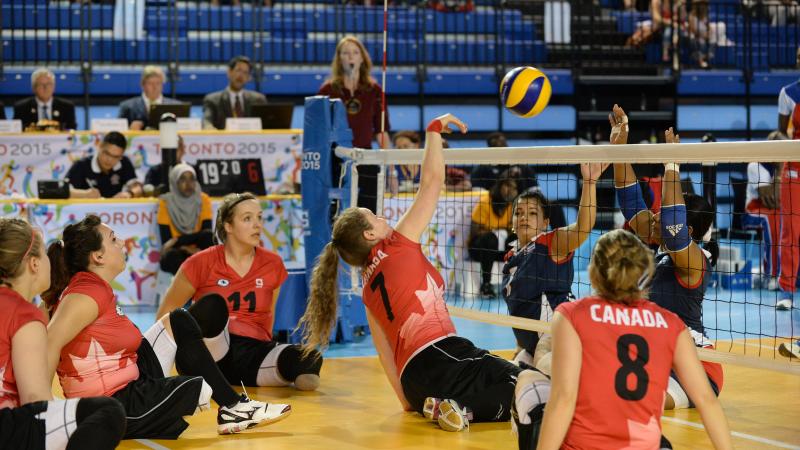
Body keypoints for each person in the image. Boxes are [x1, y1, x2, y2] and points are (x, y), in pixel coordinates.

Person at [297, 113, 537, 432]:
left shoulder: (368, 288)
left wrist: (407, 400)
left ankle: (450, 409)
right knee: (534, 388)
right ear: (369, 235)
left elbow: (385, 353)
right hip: (443, 353)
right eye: (374, 217)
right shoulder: (396, 243)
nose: (383, 217)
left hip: (415, 381)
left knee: (514, 395)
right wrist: (433, 130)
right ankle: (461, 408)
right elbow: (432, 183)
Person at [43, 215, 291, 439]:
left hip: (132, 376)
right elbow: (49, 343)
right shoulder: (85, 294)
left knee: (179, 319)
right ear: (97, 256)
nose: (121, 242)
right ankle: (233, 408)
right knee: (199, 389)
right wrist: (47, 410)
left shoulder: (94, 287)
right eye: (113, 239)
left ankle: (234, 409)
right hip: (110, 403)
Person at [513, 228, 733, 450]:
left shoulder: (571, 314)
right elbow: (706, 400)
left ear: (594, 272)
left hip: (586, 444)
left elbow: (564, 399)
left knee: (526, 379)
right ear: (645, 271)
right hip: (643, 445)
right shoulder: (671, 323)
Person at [613, 107, 723, 410]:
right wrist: (619, 149)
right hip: (654, 356)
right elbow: (631, 203)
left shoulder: (694, 261)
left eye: (669, 208)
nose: (658, 210)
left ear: (688, 228)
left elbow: (674, 233)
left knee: (630, 400)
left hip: (696, 367)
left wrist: (672, 165)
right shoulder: (662, 248)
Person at [155, 192, 323, 391]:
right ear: (228, 226)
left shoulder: (273, 264)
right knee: (212, 306)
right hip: (208, 351)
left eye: (259, 217)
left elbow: (269, 316)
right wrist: (160, 369)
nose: (257, 225)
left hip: (252, 355)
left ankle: (256, 379)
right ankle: (206, 377)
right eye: (247, 218)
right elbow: (165, 316)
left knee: (309, 358)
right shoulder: (199, 262)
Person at [0, 217, 126, 450]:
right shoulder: (25, 315)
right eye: (46, 254)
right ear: (34, 264)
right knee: (108, 411)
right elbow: (34, 401)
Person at [502, 160, 607, 366]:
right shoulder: (511, 258)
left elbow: (582, 228)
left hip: (561, 331)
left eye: (532, 213)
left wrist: (589, 182)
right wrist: (520, 346)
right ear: (512, 221)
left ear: (544, 223)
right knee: (509, 375)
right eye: (519, 213)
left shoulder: (550, 243)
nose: (524, 218)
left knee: (544, 366)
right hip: (534, 344)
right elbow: (520, 307)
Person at [318, 36, 391, 214]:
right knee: (338, 215)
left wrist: (391, 169)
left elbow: (382, 131)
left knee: (368, 214)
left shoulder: (374, 91)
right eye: (345, 53)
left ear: (362, 58)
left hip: (365, 159)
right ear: (339, 58)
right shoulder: (327, 90)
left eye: (355, 52)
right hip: (337, 162)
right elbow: (320, 131)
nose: (350, 57)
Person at [775, 52, 800, 357]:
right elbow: (781, 131)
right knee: (790, 231)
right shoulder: (788, 93)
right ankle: (786, 290)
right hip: (794, 166)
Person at [743, 131, 786, 293]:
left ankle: (790, 273)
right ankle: (772, 275)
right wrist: (780, 170)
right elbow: (770, 199)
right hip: (752, 211)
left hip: (777, 210)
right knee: (773, 218)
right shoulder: (755, 165)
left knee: (785, 218)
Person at [468, 167, 521, 298]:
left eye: (514, 188)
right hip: (479, 249)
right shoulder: (486, 202)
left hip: (500, 249)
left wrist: (506, 232)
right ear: (500, 185)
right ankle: (486, 285)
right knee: (490, 239)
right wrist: (494, 232)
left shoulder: (512, 206)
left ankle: (513, 282)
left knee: (516, 239)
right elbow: (474, 231)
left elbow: (513, 230)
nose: (510, 190)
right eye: (507, 185)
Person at [156, 163, 213, 275]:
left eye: (192, 179)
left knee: (209, 236)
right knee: (170, 257)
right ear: (174, 182)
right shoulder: (165, 203)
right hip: (178, 252)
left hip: (198, 249)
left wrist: (177, 240)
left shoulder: (203, 199)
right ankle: (185, 288)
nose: (188, 184)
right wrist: (184, 247)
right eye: (183, 179)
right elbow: (166, 241)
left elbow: (206, 233)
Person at [65, 131, 137, 199]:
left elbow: (137, 187)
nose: (110, 160)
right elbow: (63, 191)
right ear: (100, 146)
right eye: (107, 153)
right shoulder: (81, 165)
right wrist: (84, 194)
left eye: (116, 157)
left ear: (121, 156)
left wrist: (129, 194)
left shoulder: (124, 162)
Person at [203, 56, 267, 130]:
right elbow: (206, 122)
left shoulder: (258, 99)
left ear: (249, 77)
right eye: (238, 70)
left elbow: (266, 125)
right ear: (229, 72)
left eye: (245, 72)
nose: (241, 75)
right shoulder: (212, 100)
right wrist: (209, 128)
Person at [118, 66, 182, 130]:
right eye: (150, 83)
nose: (155, 87)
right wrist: (130, 130)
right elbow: (118, 135)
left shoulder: (177, 106)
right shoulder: (127, 107)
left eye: (158, 83)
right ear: (142, 85)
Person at [469, 132, 537, 192]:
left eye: (502, 143)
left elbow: (534, 192)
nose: (499, 144)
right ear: (489, 149)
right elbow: (478, 195)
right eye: (495, 145)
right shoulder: (481, 169)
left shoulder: (524, 168)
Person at [387, 130, 421, 195]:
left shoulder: (426, 166)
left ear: (416, 145)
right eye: (399, 148)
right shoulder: (393, 167)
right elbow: (393, 191)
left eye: (406, 146)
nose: (402, 150)